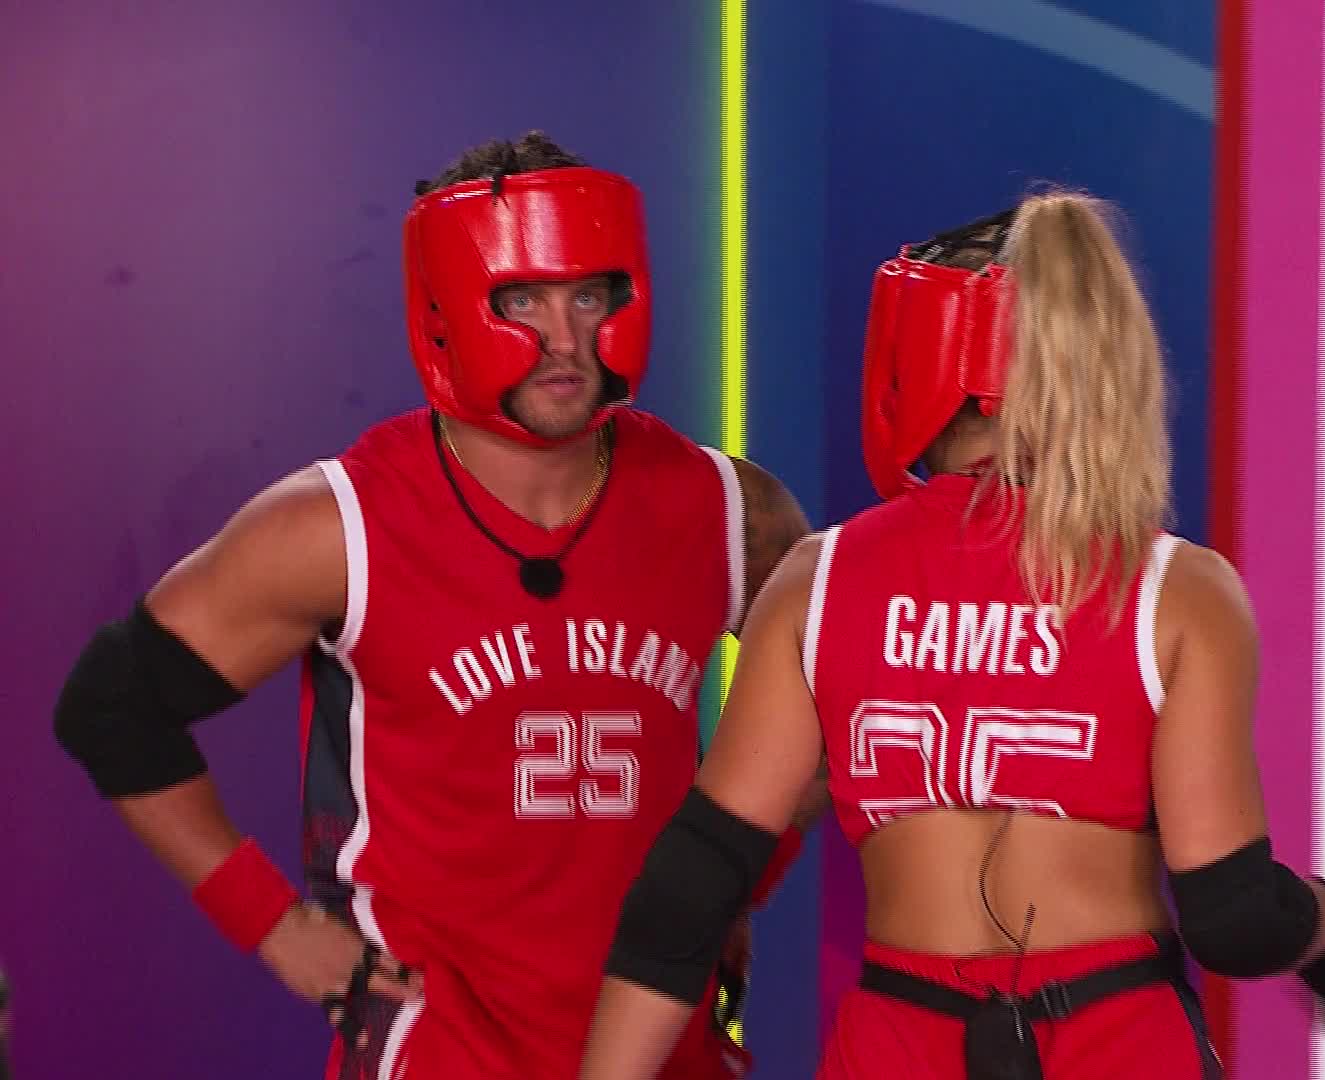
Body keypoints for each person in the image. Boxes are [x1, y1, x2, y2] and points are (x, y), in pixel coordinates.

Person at [53, 131, 816, 1080]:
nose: (565, 338)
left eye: (588, 295)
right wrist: (270, 922)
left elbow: (842, 705)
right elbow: (112, 705)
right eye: (521, 299)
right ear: (448, 306)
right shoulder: (339, 527)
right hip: (440, 1051)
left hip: (668, 1051)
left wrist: (730, 880)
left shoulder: (728, 510)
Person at [574, 192, 1325, 1080]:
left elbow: (690, 893)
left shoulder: (818, 582)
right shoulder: (1179, 593)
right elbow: (1234, 918)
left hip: (898, 1043)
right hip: (1118, 1036)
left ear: (915, 360)